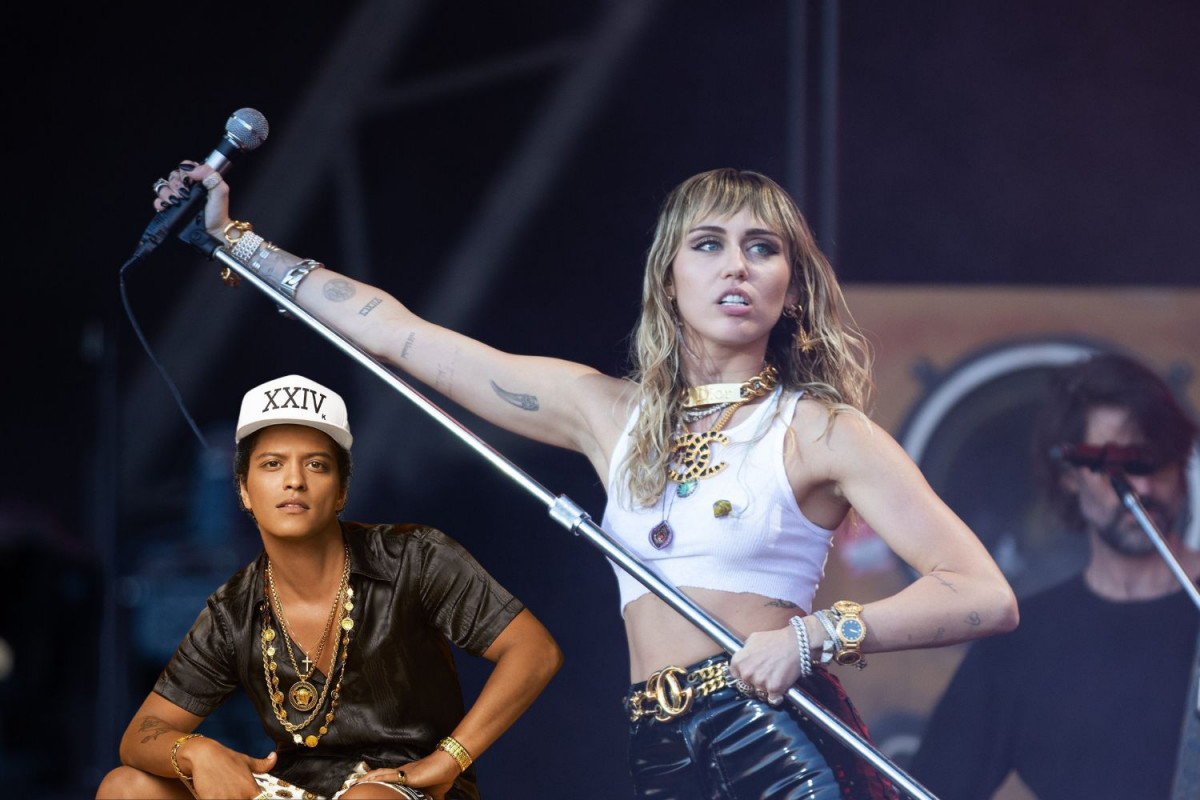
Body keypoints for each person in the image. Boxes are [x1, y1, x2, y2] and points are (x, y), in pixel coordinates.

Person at [150, 162, 1019, 798]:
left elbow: (983, 593)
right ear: (669, 278)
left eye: (762, 249)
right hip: (658, 742)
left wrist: (816, 636)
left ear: (790, 288)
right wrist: (234, 240)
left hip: (778, 735)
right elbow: (401, 336)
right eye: (709, 245)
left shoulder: (820, 428)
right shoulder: (608, 414)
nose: (737, 266)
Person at [96, 373, 562, 800]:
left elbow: (534, 650)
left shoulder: (413, 557)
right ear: (244, 490)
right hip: (296, 789)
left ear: (341, 491)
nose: (294, 481)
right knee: (125, 788)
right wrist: (196, 751)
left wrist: (448, 759)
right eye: (272, 464)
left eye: (316, 465)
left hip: (405, 789)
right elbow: (140, 733)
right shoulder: (234, 610)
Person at [910, 351, 1200, 800]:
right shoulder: (1020, 642)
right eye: (1118, 467)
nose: (1143, 488)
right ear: (1069, 474)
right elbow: (933, 787)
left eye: (1156, 462)